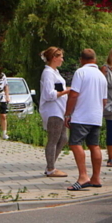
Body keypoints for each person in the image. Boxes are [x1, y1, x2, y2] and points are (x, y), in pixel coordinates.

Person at [64, 49, 108, 191]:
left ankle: (83, 176)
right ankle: (96, 177)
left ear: (81, 60)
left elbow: (74, 94)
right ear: (94, 59)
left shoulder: (80, 72)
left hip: (81, 115)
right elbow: (104, 100)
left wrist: (67, 113)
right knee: (94, 145)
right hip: (96, 115)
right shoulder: (101, 76)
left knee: (75, 143)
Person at [39, 46, 71, 177]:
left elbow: (58, 88)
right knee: (53, 139)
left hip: (60, 109)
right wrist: (66, 91)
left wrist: (66, 89)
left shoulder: (55, 72)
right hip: (53, 110)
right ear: (54, 58)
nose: (62, 60)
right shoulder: (48, 73)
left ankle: (51, 165)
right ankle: (51, 168)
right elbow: (48, 93)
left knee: (63, 138)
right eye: (61, 57)